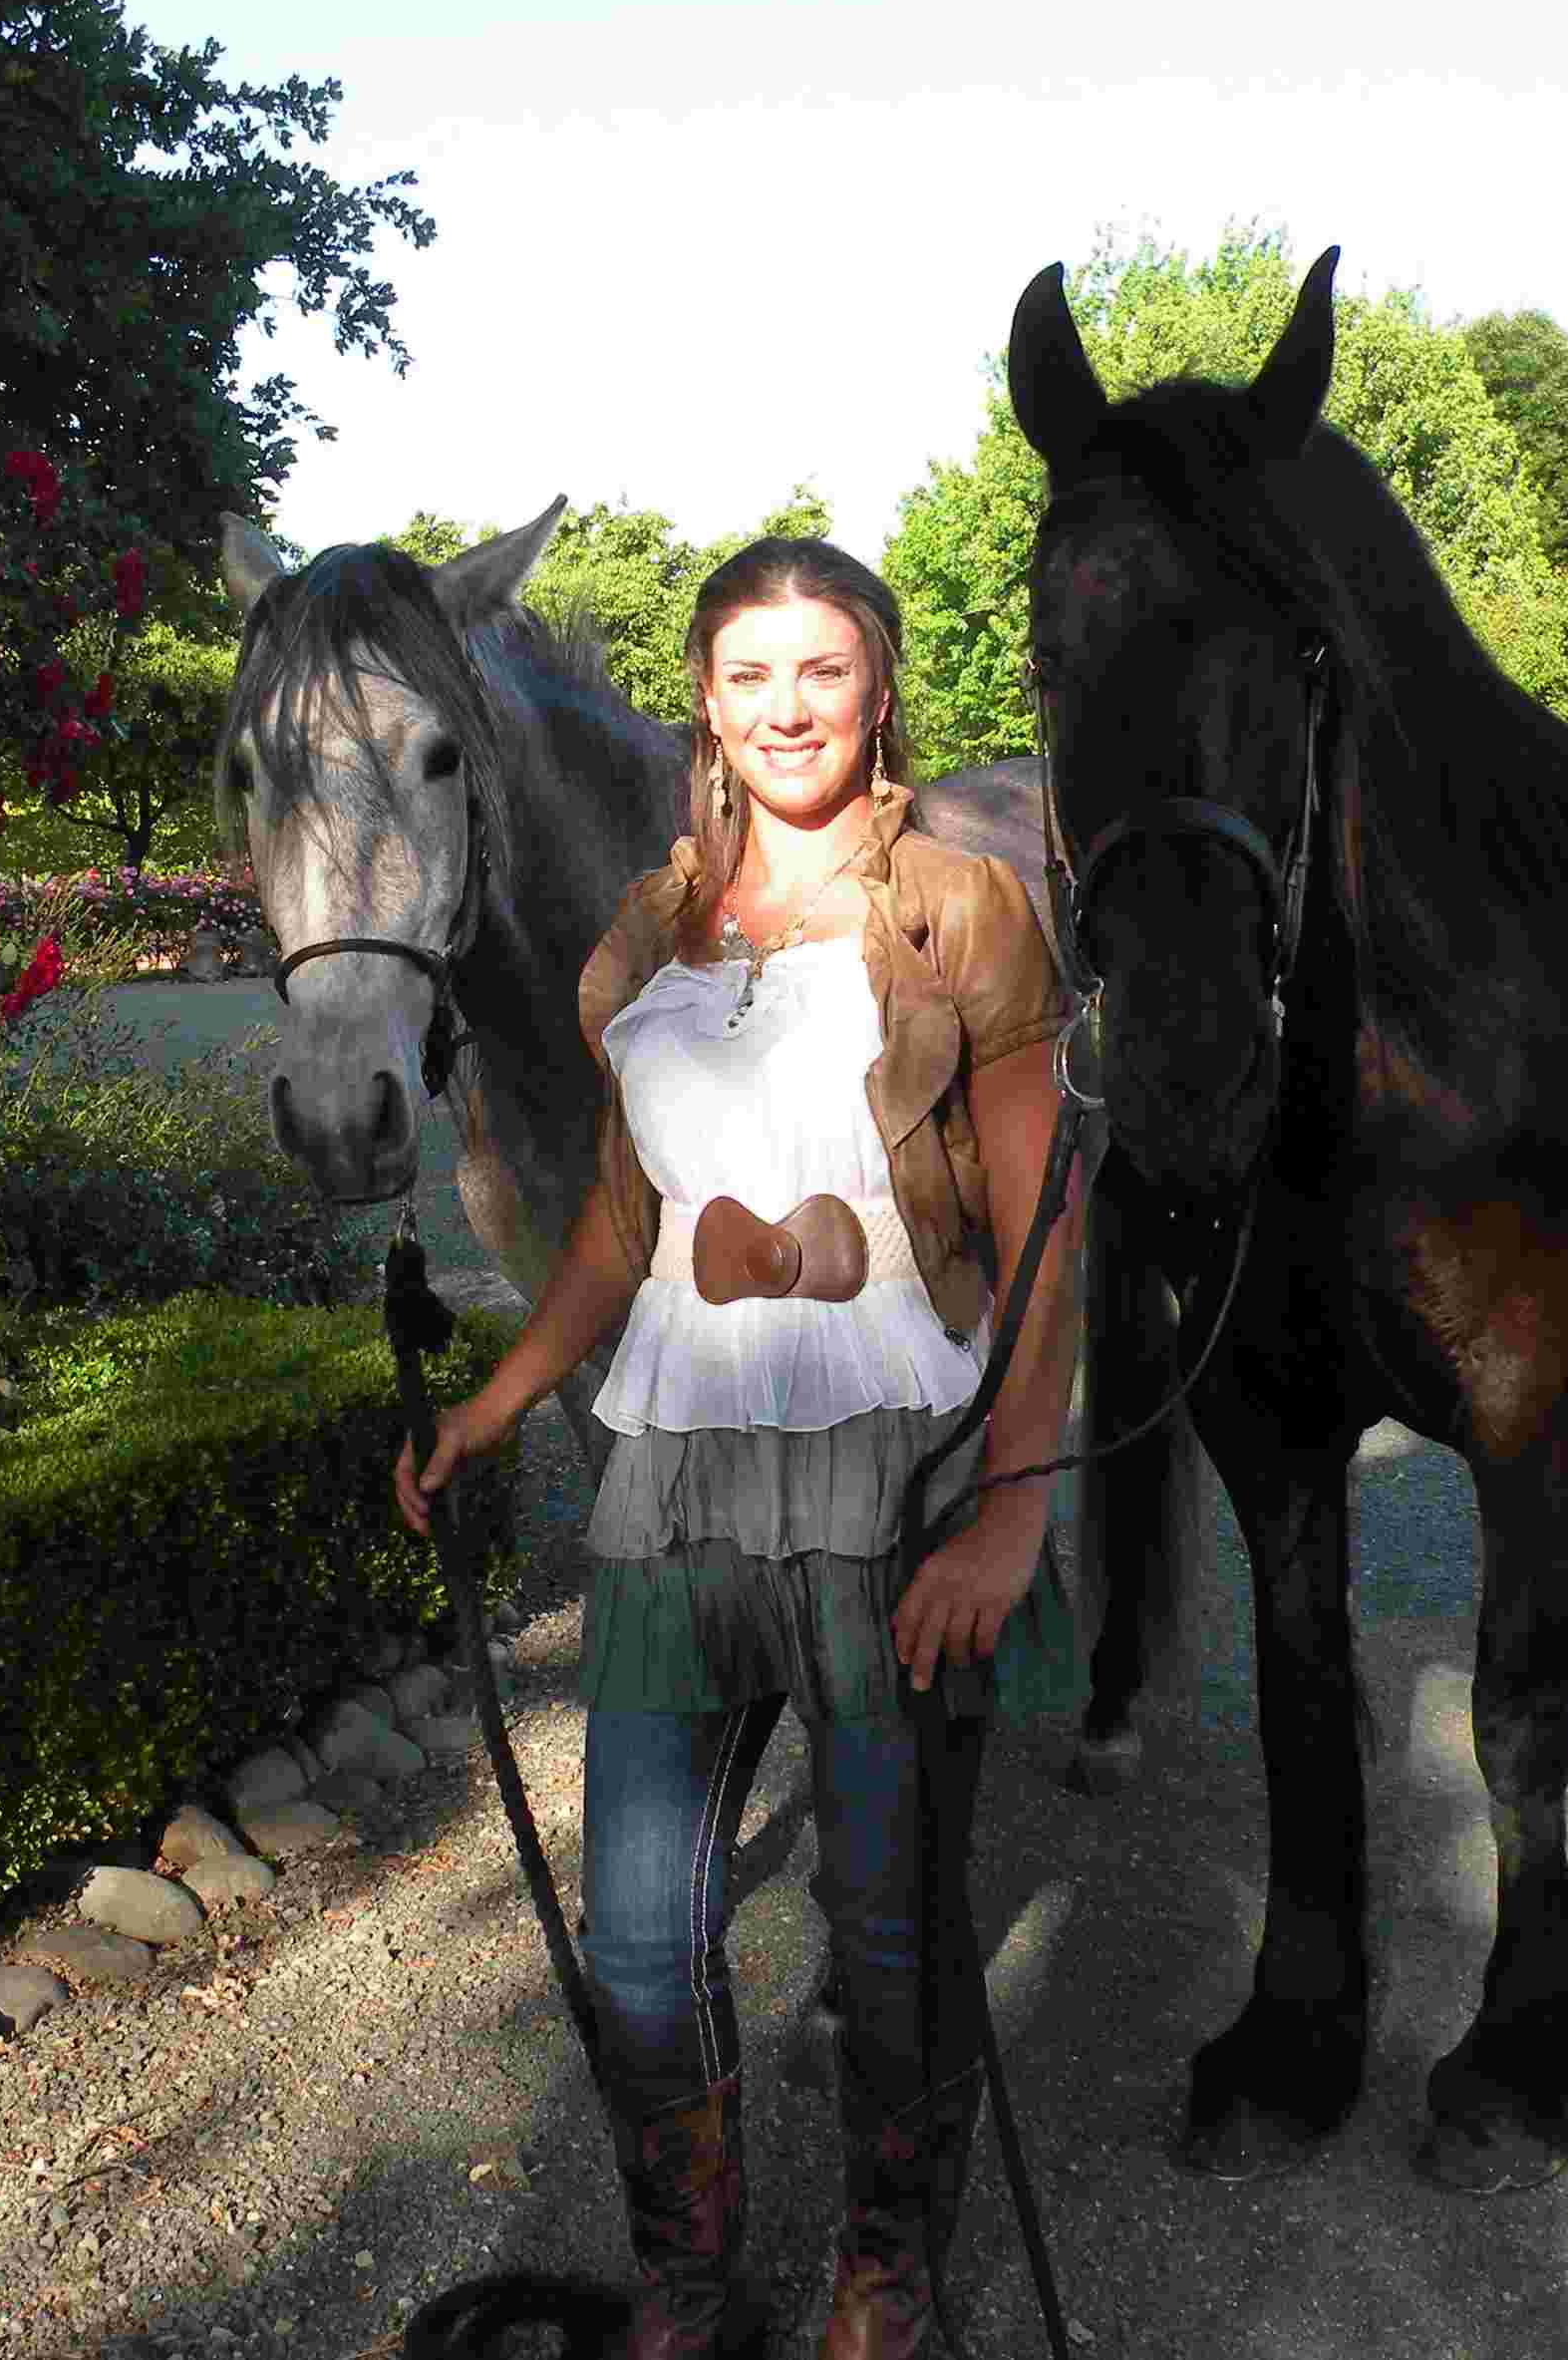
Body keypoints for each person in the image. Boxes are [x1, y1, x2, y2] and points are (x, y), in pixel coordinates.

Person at [395, 536, 1082, 2360]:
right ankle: (689, 2281)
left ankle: (885, 2268)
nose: (787, 709)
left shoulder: (960, 910)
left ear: (877, 689)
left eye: (823, 671)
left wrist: (1014, 1503)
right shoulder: (657, 924)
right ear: (705, 697)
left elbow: (1042, 1231)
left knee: (883, 1938)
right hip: (673, 1494)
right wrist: (497, 1399)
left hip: (892, 1481)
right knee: (641, 1944)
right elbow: (627, 1222)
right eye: (751, 674)